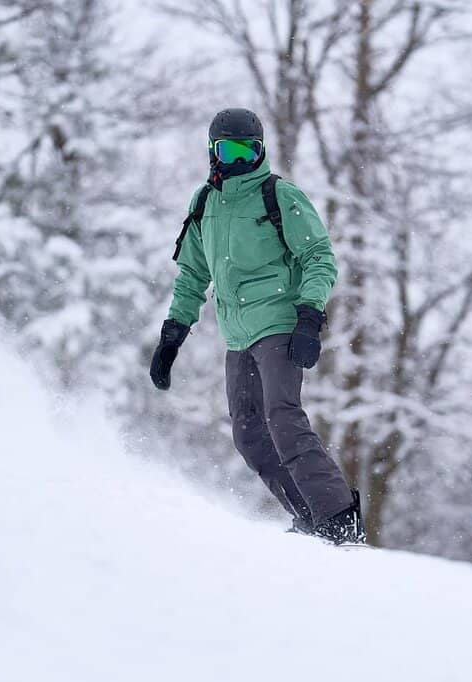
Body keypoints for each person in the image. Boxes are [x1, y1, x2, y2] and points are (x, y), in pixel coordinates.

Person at [149, 108, 363, 544]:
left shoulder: (279, 195)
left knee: (283, 417)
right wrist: (172, 335)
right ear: (213, 152)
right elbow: (192, 274)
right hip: (238, 334)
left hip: (279, 323)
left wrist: (309, 315)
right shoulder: (204, 203)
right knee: (248, 433)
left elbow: (319, 256)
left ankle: (340, 518)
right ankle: (310, 518)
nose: (239, 160)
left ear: (261, 151)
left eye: (248, 151)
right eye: (229, 151)